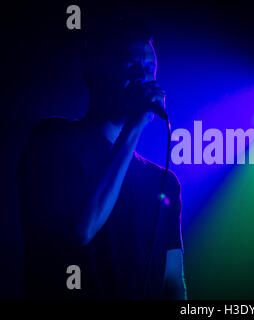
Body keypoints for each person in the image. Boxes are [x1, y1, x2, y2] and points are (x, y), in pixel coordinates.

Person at [16, 20, 186, 299]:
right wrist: (134, 127)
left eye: (149, 69)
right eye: (129, 66)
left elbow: (171, 281)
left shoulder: (163, 181)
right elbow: (79, 230)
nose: (142, 77)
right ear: (95, 74)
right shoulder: (53, 142)